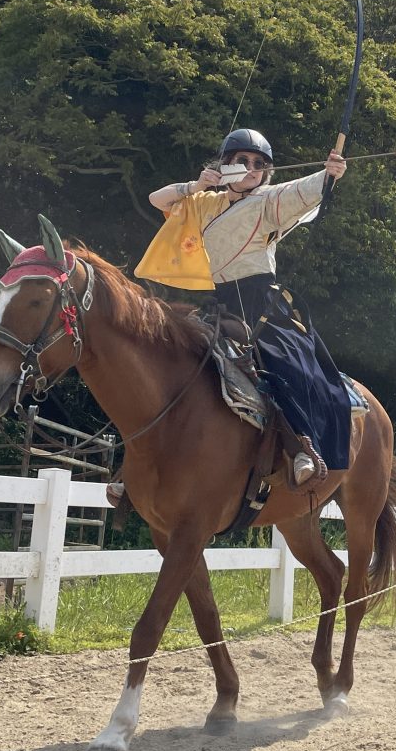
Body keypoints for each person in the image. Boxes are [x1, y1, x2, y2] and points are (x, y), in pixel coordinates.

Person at [146, 127, 351, 488]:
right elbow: (157, 199)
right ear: (225, 165)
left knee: (284, 362)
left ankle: (302, 444)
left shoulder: (269, 200)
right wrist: (196, 185)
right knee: (171, 358)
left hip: (262, 303)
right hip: (220, 302)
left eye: (259, 164)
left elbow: (307, 189)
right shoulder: (205, 202)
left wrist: (329, 172)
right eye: (242, 161)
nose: (252, 168)